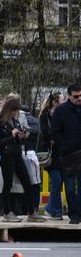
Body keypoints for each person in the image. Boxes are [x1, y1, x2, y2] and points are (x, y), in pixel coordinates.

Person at [0, 95, 44, 222]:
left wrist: (22, 136)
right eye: (14, 111)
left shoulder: (16, 121)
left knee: (27, 182)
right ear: (9, 110)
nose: (16, 114)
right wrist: (11, 136)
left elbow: (17, 140)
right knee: (8, 183)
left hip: (17, 154)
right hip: (6, 155)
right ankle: (7, 212)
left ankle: (31, 212)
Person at [49, 83, 81, 224]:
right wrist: (65, 147)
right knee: (69, 186)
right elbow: (55, 131)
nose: (79, 98)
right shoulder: (61, 110)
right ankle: (73, 214)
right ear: (69, 95)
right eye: (76, 96)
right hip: (69, 155)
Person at [36, 94, 63, 220]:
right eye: (62, 100)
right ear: (55, 102)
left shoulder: (62, 115)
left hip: (61, 153)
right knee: (56, 181)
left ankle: (49, 208)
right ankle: (56, 211)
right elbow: (46, 132)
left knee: (58, 182)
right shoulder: (44, 116)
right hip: (51, 154)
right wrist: (55, 138)